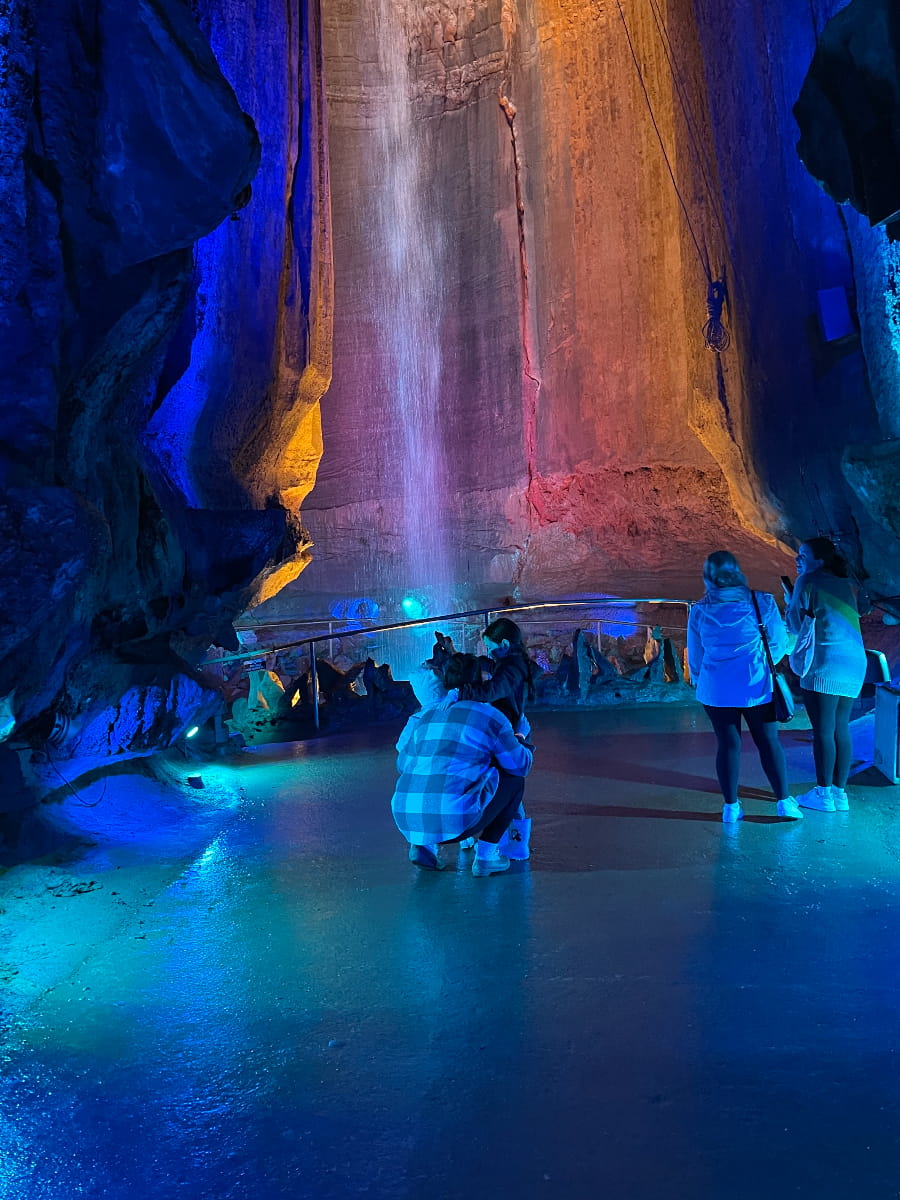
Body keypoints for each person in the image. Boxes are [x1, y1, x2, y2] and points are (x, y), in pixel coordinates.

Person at [391, 653, 534, 876]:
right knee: (513, 780)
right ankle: (487, 856)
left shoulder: (425, 715)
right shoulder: (490, 715)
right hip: (455, 821)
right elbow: (519, 765)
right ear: (480, 681)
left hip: (406, 818)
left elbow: (402, 764)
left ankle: (422, 846)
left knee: (430, 777)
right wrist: (521, 737)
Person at [687, 551, 803, 822]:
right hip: (755, 685)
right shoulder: (760, 601)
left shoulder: (700, 610)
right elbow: (776, 643)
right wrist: (761, 664)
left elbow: (696, 655)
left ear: (708, 576)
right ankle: (784, 802)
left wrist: (700, 678)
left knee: (727, 745)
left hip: (716, 689)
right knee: (768, 742)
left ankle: (731, 807)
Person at [784, 537, 866, 812]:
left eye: (803, 555)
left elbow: (796, 626)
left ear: (819, 560)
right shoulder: (845, 584)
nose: (798, 559)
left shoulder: (807, 580)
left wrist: (790, 602)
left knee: (822, 730)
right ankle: (839, 794)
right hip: (854, 662)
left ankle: (823, 794)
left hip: (825, 662)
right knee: (840, 728)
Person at [452, 617, 539, 857]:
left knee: (508, 785)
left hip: (505, 732)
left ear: (504, 643)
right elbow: (495, 669)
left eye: (490, 647)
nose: (489, 652)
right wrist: (470, 661)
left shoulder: (511, 667)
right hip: (505, 730)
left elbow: (493, 690)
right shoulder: (513, 661)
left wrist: (460, 692)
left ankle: (509, 844)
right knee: (505, 785)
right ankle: (510, 843)